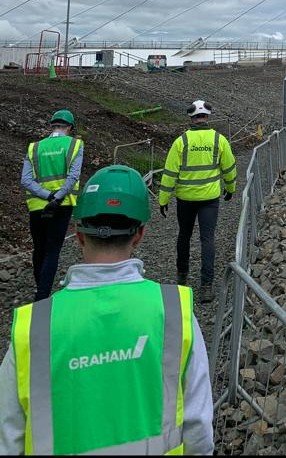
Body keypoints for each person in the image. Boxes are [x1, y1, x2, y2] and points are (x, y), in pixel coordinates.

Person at [0, 164, 214, 455]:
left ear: (78, 235)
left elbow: (7, 437)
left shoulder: (32, 327)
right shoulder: (174, 312)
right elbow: (199, 431)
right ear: (139, 234)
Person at [159, 100, 237, 303]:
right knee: (207, 239)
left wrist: (163, 199)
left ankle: (182, 278)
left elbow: (169, 174)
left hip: (185, 199)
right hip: (210, 199)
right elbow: (229, 167)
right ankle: (206, 287)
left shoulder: (181, 142)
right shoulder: (219, 140)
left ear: (191, 118)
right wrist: (230, 188)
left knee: (184, 236)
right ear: (207, 117)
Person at [20, 108, 84, 301]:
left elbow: (26, 180)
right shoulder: (75, 145)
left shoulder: (34, 147)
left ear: (52, 125)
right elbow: (73, 176)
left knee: (38, 248)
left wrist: (46, 196)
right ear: (70, 127)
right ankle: (43, 296)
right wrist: (56, 198)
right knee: (52, 250)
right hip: (62, 205)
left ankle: (40, 287)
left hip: (37, 206)